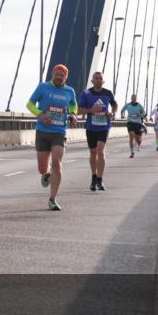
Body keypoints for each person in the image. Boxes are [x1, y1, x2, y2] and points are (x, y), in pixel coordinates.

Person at [26, 64, 77, 211]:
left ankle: (53, 199)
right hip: (43, 131)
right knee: (42, 168)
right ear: (53, 74)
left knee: (57, 162)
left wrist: (73, 114)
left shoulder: (69, 91)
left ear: (66, 77)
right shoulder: (43, 87)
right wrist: (41, 114)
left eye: (62, 75)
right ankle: (47, 174)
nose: (59, 77)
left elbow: (73, 105)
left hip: (59, 132)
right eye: (57, 74)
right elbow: (30, 104)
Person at [77, 72, 117, 190]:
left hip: (104, 126)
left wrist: (112, 112)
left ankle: (100, 179)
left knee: (101, 151)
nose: (98, 80)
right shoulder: (86, 93)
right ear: (92, 81)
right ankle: (94, 177)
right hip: (91, 127)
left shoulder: (108, 93)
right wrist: (91, 110)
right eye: (96, 78)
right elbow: (79, 110)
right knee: (93, 153)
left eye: (100, 78)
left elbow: (114, 105)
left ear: (103, 81)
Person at [121, 94, 146, 158]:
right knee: (131, 136)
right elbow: (122, 110)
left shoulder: (139, 105)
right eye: (132, 98)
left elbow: (144, 113)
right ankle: (132, 152)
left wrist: (140, 115)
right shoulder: (128, 105)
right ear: (131, 98)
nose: (133, 99)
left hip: (138, 123)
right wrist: (122, 115)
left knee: (138, 140)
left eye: (134, 98)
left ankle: (138, 143)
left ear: (136, 99)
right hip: (130, 122)